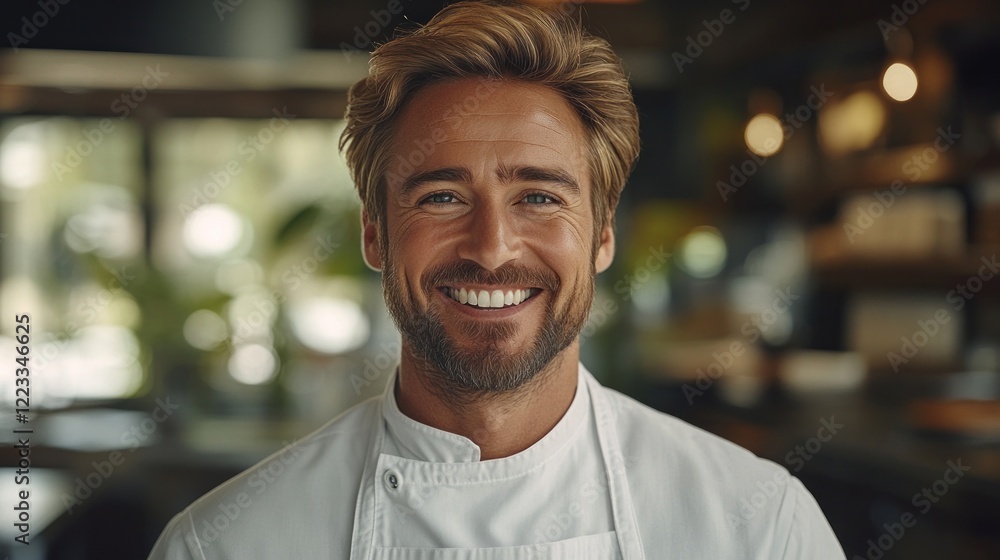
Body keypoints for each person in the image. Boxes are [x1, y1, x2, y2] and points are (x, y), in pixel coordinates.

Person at [149, 1, 846, 558]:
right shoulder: (226, 543)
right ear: (375, 233)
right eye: (441, 197)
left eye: (539, 197)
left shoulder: (759, 526)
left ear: (603, 235)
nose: (491, 249)